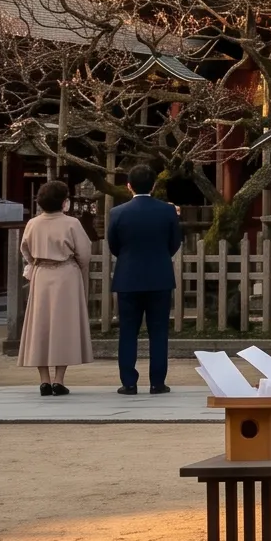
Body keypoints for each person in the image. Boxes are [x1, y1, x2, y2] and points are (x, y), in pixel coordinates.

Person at [107, 163, 184, 396]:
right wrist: (161, 255)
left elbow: (114, 245)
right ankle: (157, 382)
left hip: (128, 276)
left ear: (128, 186)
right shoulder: (167, 211)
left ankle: (129, 383)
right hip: (159, 275)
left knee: (128, 331)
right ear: (154, 185)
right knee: (159, 331)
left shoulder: (118, 212)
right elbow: (175, 242)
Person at [18, 180, 93, 396]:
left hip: (41, 273)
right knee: (63, 326)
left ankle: (44, 379)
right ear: (63, 202)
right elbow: (84, 253)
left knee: (39, 325)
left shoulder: (32, 223)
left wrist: (37, 263)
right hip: (65, 274)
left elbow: (26, 250)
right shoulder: (72, 223)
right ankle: (59, 379)